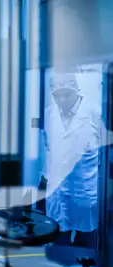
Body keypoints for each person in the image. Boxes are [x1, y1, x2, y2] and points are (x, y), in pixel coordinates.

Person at [42, 72, 102, 249]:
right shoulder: (49, 114)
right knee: (57, 242)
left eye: (66, 94)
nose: (61, 100)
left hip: (84, 191)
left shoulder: (94, 113)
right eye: (56, 95)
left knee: (87, 245)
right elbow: (48, 145)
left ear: (77, 89)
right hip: (57, 191)